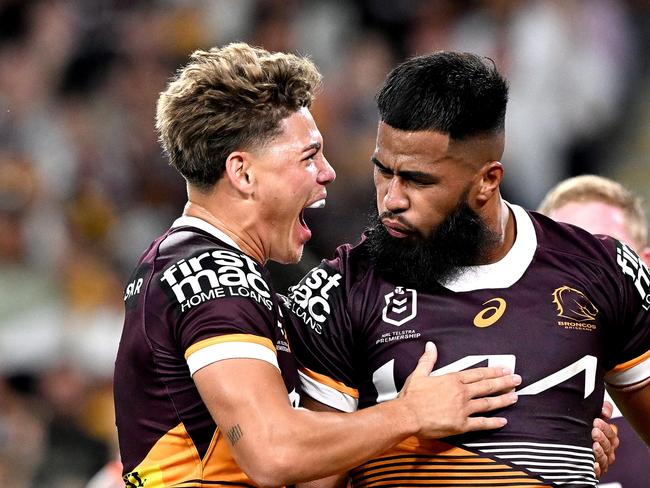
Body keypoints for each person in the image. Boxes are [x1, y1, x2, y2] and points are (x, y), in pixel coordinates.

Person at [112, 43, 525, 488]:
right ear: (243, 173)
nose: (327, 172)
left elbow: (306, 466)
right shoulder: (213, 276)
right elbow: (273, 452)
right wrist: (410, 413)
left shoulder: (192, 266)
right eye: (308, 157)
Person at [284, 51, 650, 487]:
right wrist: (403, 419)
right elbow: (311, 477)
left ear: (488, 181)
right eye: (383, 171)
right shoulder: (340, 290)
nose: (391, 199)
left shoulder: (603, 270)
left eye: (418, 180)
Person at [539, 175, 650, 488]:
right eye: (560, 257)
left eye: (601, 252)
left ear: (645, 266)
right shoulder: (509, 395)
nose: (580, 276)